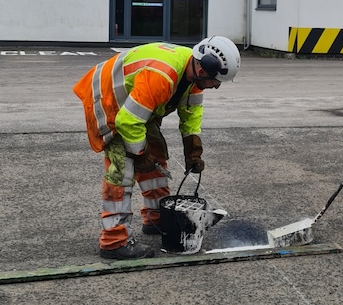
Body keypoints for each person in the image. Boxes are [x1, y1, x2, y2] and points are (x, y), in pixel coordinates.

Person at [73, 37, 241, 259]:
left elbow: (191, 116)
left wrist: (193, 151)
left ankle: (157, 218)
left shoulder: (193, 76)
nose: (217, 86)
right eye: (216, 81)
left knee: (157, 156)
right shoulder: (162, 76)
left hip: (136, 107)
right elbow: (127, 122)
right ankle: (113, 240)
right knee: (123, 168)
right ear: (203, 70)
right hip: (110, 101)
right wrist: (140, 154)